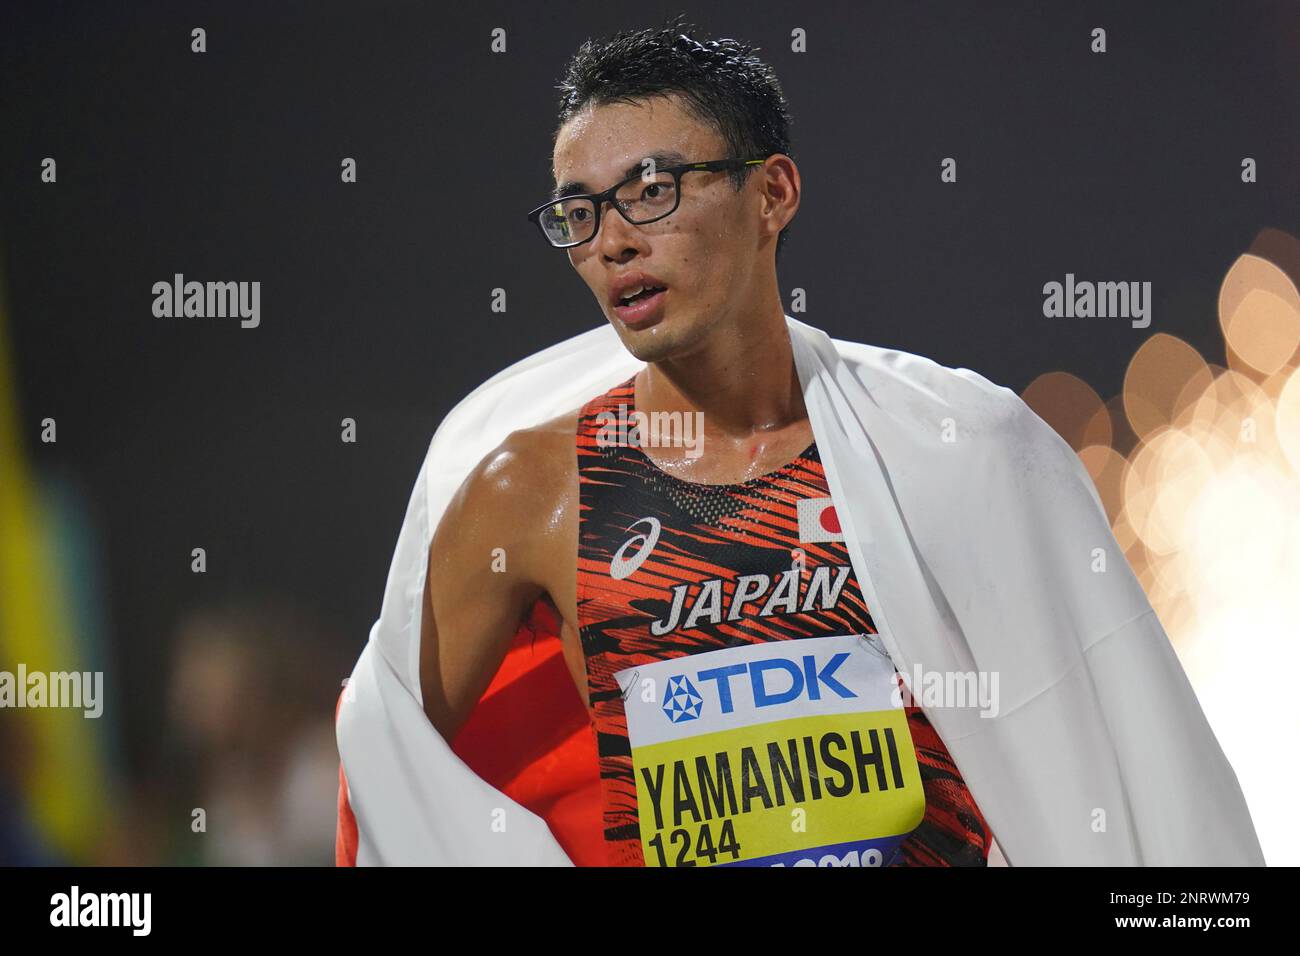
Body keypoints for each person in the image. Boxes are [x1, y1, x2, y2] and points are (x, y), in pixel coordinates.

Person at [335, 17, 1263, 868]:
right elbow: (385, 754)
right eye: (579, 212)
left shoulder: (954, 452)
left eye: (651, 190)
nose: (612, 241)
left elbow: (1140, 767)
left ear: (771, 193)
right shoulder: (531, 492)